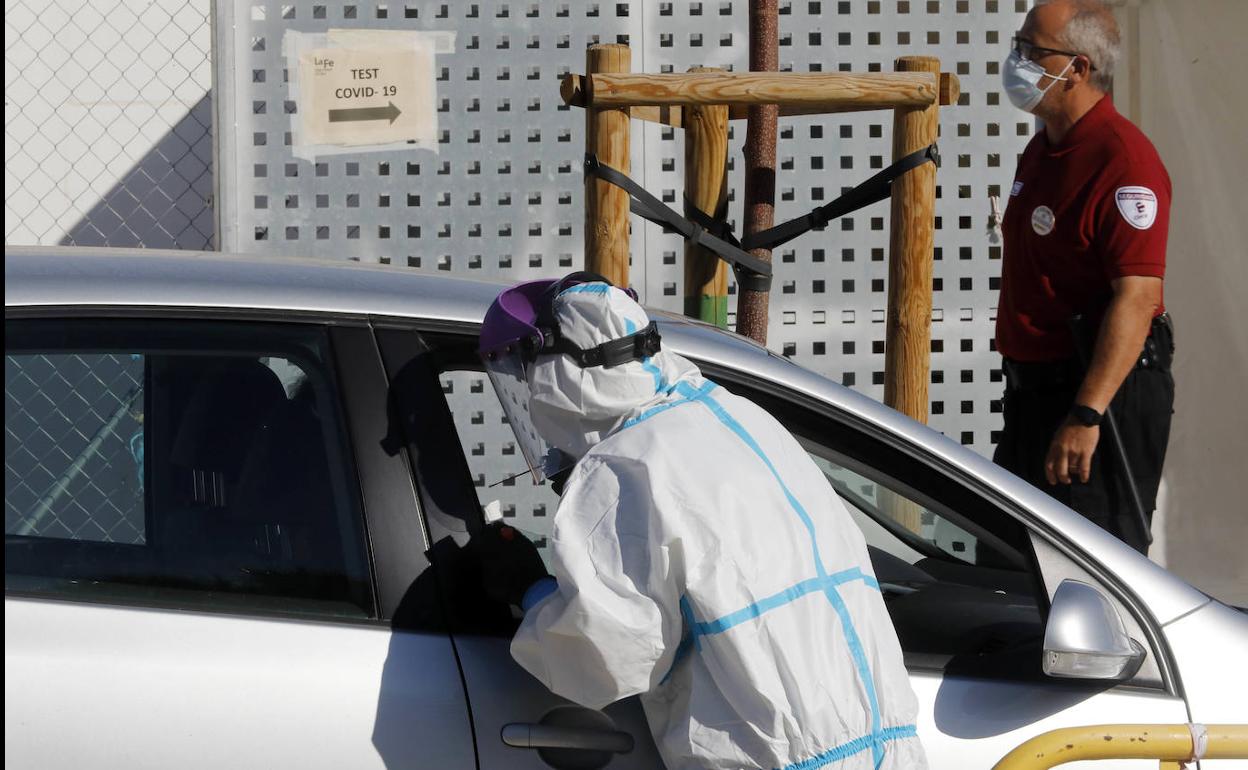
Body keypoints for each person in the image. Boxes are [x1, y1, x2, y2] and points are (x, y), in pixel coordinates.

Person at [474, 273, 926, 770]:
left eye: (527, 371)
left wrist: (528, 591)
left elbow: (606, 658)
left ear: (560, 366)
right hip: (890, 752)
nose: (531, 391)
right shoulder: (739, 417)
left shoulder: (624, 468)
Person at [994, 0, 1174, 554]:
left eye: (1032, 50)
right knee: (1008, 556)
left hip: (1096, 394)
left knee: (1094, 565)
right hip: (1035, 391)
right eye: (1018, 45)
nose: (1017, 61)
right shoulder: (1043, 149)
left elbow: (1137, 298)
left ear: (1077, 68)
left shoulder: (1122, 160)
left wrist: (1086, 414)